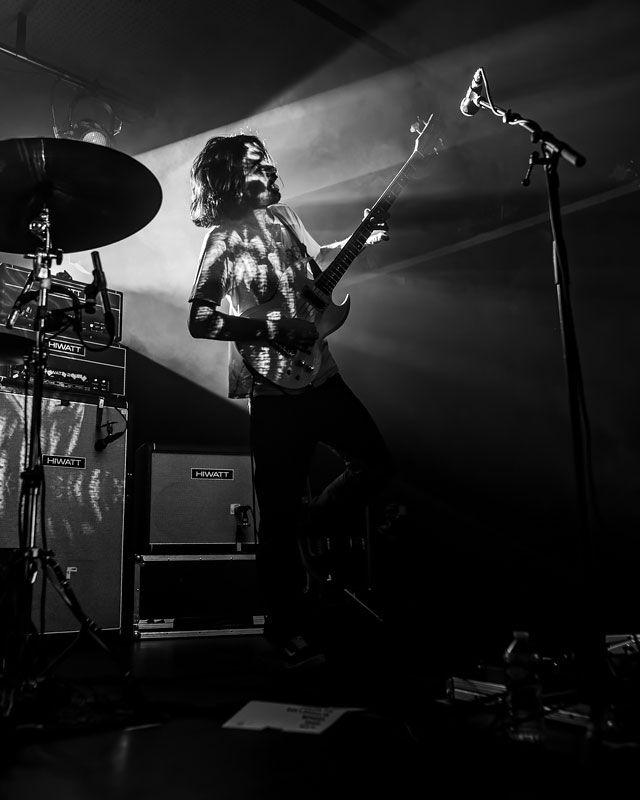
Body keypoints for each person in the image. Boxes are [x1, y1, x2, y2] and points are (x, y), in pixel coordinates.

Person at [187, 133, 392, 667]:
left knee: (377, 464)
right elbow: (200, 320)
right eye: (258, 164)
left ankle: (313, 525)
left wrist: (361, 238)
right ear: (232, 178)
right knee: (276, 515)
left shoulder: (285, 217)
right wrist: (274, 329)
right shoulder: (223, 240)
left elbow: (316, 263)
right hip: (272, 389)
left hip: (322, 373)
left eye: (269, 160)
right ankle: (285, 627)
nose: (272, 168)